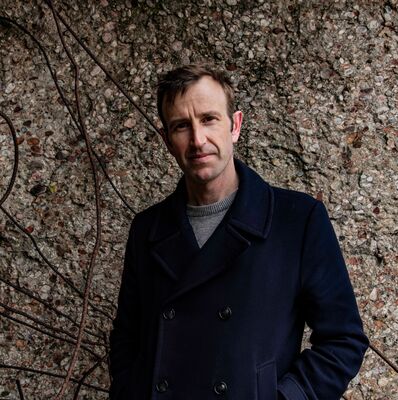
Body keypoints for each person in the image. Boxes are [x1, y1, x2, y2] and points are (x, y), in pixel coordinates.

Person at [109, 64, 369, 400]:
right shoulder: (147, 229)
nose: (198, 140)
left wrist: (287, 397)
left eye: (209, 119)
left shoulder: (297, 220)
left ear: (235, 125)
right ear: (167, 140)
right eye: (181, 126)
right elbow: (127, 336)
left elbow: (343, 340)